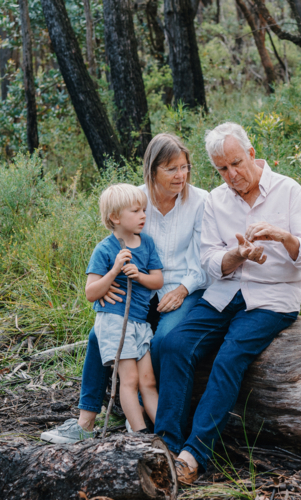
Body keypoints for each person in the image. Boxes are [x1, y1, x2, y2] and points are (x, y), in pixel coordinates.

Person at [154, 122, 301, 484]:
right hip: (225, 293)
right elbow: (210, 261)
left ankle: (192, 454)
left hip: (272, 297)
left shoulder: (289, 191)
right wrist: (236, 256)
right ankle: (165, 445)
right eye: (222, 169)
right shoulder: (216, 200)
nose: (232, 175)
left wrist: (283, 237)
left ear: (251, 153)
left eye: (236, 164)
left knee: (229, 356)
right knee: (173, 343)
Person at [40, 133, 209, 444]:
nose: (180, 176)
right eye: (171, 169)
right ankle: (86, 420)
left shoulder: (200, 201)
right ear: (152, 170)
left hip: (181, 286)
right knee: (97, 334)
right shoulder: (135, 199)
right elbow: (115, 240)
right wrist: (107, 283)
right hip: (139, 293)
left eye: (185, 167)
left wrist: (183, 290)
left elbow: (202, 258)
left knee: (165, 339)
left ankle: (148, 416)